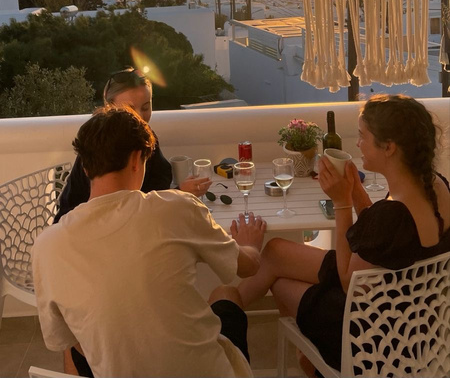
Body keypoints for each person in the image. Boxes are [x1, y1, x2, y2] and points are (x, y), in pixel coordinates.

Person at [33, 106, 267, 378]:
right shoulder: (176, 207)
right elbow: (247, 267)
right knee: (226, 294)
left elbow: (68, 340)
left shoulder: (47, 245)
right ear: (136, 159)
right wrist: (251, 245)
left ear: (85, 167)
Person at [236, 94, 450, 373]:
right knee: (275, 250)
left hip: (375, 334)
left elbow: (350, 281)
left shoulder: (392, 215)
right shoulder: (435, 186)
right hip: (414, 315)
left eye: (362, 136)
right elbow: (384, 239)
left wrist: (341, 202)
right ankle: (225, 311)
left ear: (389, 147)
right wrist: (356, 192)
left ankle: (306, 362)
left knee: (281, 283)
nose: (358, 144)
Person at [54, 67, 210, 223]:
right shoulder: (95, 148)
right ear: (109, 109)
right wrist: (179, 194)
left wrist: (179, 192)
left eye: (146, 107)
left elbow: (156, 192)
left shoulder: (147, 139)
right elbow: (69, 213)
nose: (140, 116)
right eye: (129, 110)